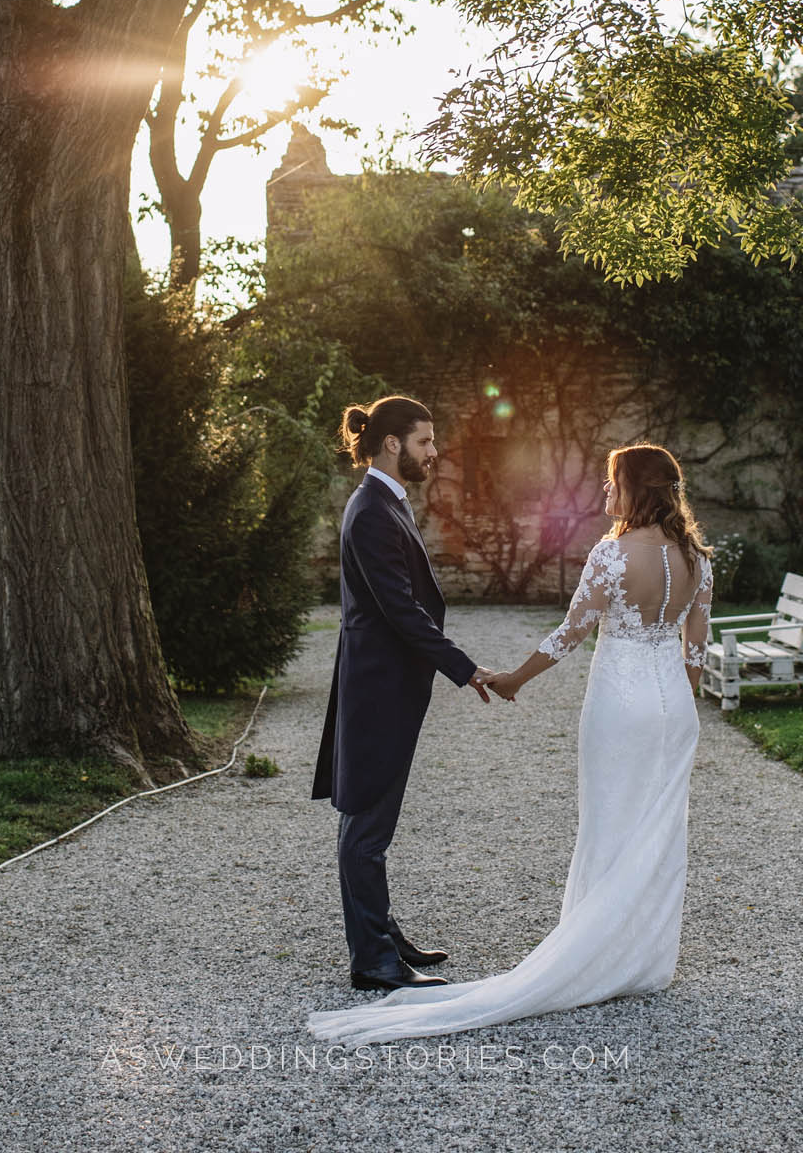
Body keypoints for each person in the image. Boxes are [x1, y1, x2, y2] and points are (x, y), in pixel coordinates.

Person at [306, 441, 714, 1044]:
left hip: (620, 706)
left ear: (637, 490)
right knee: (658, 829)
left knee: (609, 821)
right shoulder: (699, 560)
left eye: (612, 483)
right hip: (674, 710)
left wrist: (511, 680)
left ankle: (592, 952)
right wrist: (680, 701)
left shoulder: (612, 555)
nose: (604, 493)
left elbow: (569, 634)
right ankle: (643, 959)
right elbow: (696, 647)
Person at [311, 395, 495, 991]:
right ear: (392, 443)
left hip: (387, 686)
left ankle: (384, 937)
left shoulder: (385, 502)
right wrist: (466, 670)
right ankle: (374, 961)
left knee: (370, 822)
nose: (434, 452)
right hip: (378, 689)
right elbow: (400, 612)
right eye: (425, 441)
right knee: (365, 826)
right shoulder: (369, 509)